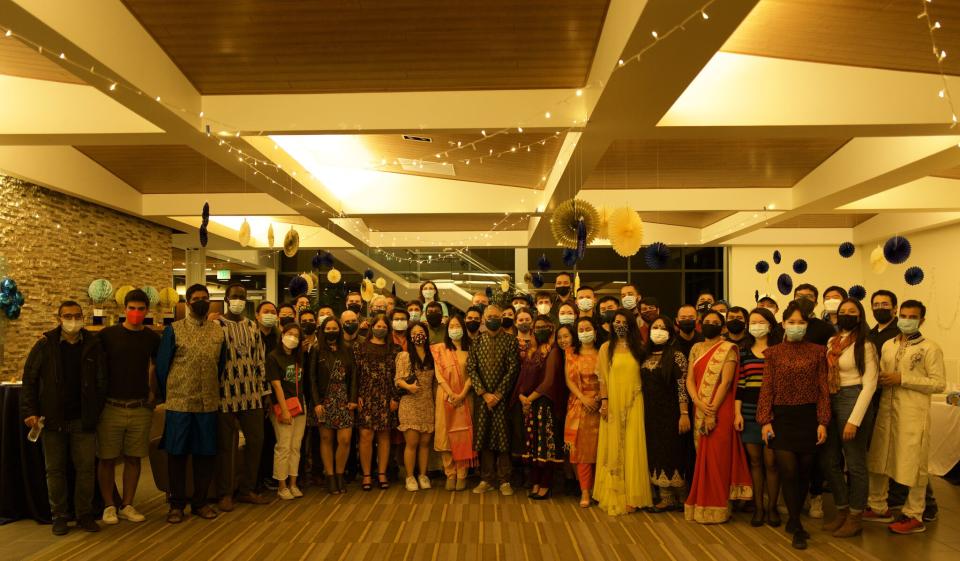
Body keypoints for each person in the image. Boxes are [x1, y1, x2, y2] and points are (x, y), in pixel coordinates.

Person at [22, 300, 105, 535]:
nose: (72, 320)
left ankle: (84, 514)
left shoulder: (93, 343)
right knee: (55, 470)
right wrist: (30, 411)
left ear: (83, 317)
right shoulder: (45, 344)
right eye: (67, 316)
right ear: (59, 318)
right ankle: (59, 515)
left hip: (83, 418)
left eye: (77, 315)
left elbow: (101, 380)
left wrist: (96, 410)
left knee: (86, 469)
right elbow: (29, 379)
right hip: (52, 418)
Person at [864, 300, 945, 535]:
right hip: (886, 412)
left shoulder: (930, 348)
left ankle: (914, 514)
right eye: (904, 315)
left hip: (913, 414)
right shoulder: (888, 344)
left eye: (913, 316)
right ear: (897, 315)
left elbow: (938, 383)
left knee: (913, 465)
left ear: (922, 320)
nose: (907, 319)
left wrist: (903, 378)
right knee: (878, 458)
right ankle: (878, 506)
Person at [757, 301, 831, 550]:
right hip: (783, 417)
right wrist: (765, 420)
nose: (796, 326)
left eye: (801, 322)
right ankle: (797, 524)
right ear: (783, 324)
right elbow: (766, 388)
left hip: (809, 417)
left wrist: (823, 421)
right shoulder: (773, 353)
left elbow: (823, 388)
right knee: (788, 470)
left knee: (805, 471)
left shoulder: (818, 351)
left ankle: (795, 517)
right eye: (792, 322)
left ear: (807, 325)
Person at [156, 284, 225, 523]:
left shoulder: (218, 332)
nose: (201, 302)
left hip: (208, 403)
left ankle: (200, 502)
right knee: (177, 454)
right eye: (196, 299)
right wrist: (171, 393)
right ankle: (176, 505)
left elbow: (222, 365)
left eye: (205, 298)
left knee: (205, 455)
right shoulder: (173, 330)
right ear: (188, 303)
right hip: (180, 403)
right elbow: (163, 367)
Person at [96, 289, 159, 525]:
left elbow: (157, 366)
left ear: (146, 311)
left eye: (140, 309)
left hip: (140, 406)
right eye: (131, 308)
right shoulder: (107, 335)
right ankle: (108, 505)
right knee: (107, 458)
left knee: (134, 458)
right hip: (111, 406)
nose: (135, 313)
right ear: (124, 310)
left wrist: (153, 393)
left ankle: (128, 504)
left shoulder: (152, 338)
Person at [684, 310, 753, 524]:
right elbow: (689, 380)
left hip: (720, 409)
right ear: (700, 324)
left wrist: (711, 411)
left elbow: (726, 382)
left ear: (722, 327)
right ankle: (704, 503)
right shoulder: (696, 348)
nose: (710, 325)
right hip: (700, 406)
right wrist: (697, 402)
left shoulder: (728, 349)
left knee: (717, 458)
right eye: (707, 322)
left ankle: (720, 504)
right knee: (702, 457)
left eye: (715, 322)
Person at [820, 298, 878, 537]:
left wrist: (854, 419)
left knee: (855, 463)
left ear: (860, 316)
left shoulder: (865, 345)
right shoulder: (832, 341)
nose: (845, 314)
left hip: (854, 399)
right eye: (842, 311)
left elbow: (870, 384)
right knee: (828, 460)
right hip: (831, 398)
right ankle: (842, 510)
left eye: (851, 312)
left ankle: (856, 516)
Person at [215, 283, 270, 512]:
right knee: (226, 445)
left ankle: (247, 489)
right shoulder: (216, 326)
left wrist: (264, 392)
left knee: (256, 442)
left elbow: (260, 359)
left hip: (251, 394)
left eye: (242, 297)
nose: (238, 300)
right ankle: (225, 493)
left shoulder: (252, 327)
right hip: (224, 393)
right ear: (226, 299)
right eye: (234, 296)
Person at [593, 310, 653, 515]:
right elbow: (602, 379)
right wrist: (605, 401)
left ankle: (633, 496)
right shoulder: (605, 348)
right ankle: (615, 492)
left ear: (630, 325)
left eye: (623, 322)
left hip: (635, 402)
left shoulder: (640, 348)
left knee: (633, 447)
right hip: (612, 403)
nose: (619, 325)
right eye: (616, 322)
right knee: (614, 447)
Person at [734, 307, 781, 527]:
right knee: (755, 462)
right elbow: (740, 386)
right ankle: (759, 508)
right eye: (752, 322)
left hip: (773, 413)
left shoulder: (780, 349)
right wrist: (737, 414)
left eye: (761, 321)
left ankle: (772, 508)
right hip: (749, 412)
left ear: (770, 324)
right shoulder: (743, 351)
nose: (756, 326)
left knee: (771, 463)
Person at [469, 305, 521, 496]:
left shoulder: (510, 341)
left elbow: (513, 368)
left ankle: (505, 480)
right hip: (482, 399)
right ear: (483, 318)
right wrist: (484, 394)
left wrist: (498, 394)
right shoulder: (476, 341)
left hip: (503, 398)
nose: (493, 319)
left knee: (503, 437)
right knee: (484, 438)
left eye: (496, 316)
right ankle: (486, 479)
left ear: (502, 318)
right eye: (489, 316)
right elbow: (471, 369)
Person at [641, 316, 690, 512]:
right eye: (655, 327)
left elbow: (681, 386)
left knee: (674, 451)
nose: (658, 330)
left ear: (670, 332)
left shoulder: (677, 355)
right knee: (656, 451)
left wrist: (684, 412)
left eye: (662, 327)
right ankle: (665, 497)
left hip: (673, 413)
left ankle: (683, 497)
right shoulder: (645, 354)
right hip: (651, 413)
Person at [516, 316, 565, 500]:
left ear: (551, 329)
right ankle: (536, 482)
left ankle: (545, 484)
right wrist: (521, 396)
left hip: (545, 405)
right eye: (537, 327)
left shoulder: (553, 351)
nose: (540, 330)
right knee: (534, 446)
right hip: (530, 405)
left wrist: (529, 398)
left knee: (546, 447)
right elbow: (523, 377)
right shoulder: (532, 351)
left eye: (544, 326)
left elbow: (549, 382)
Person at [310, 317, 357, 495]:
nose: (331, 331)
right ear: (322, 330)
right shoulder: (316, 350)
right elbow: (312, 378)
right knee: (326, 440)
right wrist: (316, 403)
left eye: (334, 328)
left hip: (344, 400)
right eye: (328, 328)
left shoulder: (347, 349)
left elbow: (353, 375)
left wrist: (353, 399)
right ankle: (330, 476)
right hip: (325, 400)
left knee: (345, 440)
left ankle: (339, 474)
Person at [431, 315, 476, 491]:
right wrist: (451, 394)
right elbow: (439, 375)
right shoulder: (439, 349)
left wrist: (462, 394)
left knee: (463, 436)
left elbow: (473, 374)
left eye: (458, 325)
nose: (454, 328)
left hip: (465, 398)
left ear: (463, 329)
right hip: (445, 397)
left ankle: (462, 474)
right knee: (445, 436)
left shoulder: (471, 349)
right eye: (451, 326)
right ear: (447, 330)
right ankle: (450, 473)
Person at [355, 314, 399, 490]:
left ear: (388, 329)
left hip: (386, 395)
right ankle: (366, 474)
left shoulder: (394, 349)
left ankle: (382, 473)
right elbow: (355, 373)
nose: (380, 329)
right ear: (371, 327)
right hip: (365, 394)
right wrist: (355, 395)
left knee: (384, 435)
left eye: (384, 326)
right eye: (377, 326)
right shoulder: (360, 347)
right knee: (366, 436)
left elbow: (398, 375)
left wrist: (395, 397)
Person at [266, 322, 307, 500]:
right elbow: (276, 385)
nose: (293, 338)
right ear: (282, 334)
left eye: (297, 336)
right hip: (283, 407)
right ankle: (281, 485)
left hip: (300, 406)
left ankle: (293, 483)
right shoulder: (273, 357)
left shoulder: (299, 357)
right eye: (290, 334)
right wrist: (284, 410)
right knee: (283, 446)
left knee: (296, 446)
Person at [395, 323, 436, 492]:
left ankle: (423, 475)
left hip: (428, 401)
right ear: (409, 336)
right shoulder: (404, 356)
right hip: (410, 402)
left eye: (421, 332)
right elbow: (398, 379)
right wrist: (408, 387)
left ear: (426, 335)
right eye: (414, 333)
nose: (418, 335)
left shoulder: (433, 354)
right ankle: (410, 476)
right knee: (411, 442)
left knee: (425, 442)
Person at [564, 318, 599, 508]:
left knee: (601, 451)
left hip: (600, 406)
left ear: (595, 331)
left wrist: (600, 397)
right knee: (583, 452)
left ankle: (599, 490)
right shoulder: (571, 353)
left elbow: (608, 379)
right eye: (581, 329)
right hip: (579, 405)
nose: (585, 332)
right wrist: (584, 398)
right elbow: (569, 381)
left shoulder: (603, 352)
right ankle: (585, 491)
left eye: (588, 328)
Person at [868, 289, 900, 357]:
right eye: (876, 305)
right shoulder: (869, 334)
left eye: (885, 304)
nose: (880, 308)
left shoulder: (902, 332)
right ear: (871, 308)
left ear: (895, 308)